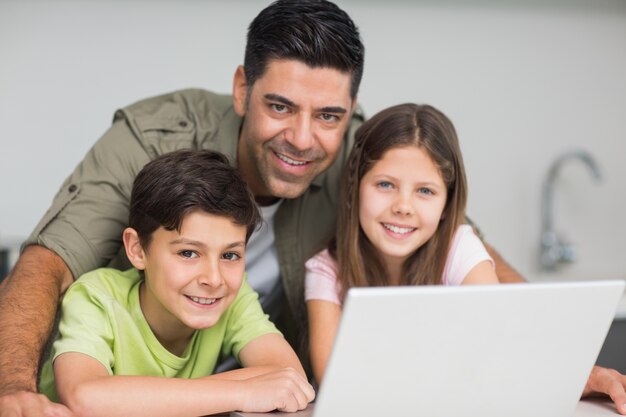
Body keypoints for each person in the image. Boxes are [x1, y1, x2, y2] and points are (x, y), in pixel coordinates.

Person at [0, 1, 623, 416]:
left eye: (328, 115)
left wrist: (560, 360)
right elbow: (47, 264)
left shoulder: (365, 158)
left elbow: (460, 242)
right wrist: (14, 391)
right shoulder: (153, 137)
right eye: (280, 107)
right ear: (243, 89)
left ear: (350, 110)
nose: (303, 137)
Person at [37, 149, 315, 416]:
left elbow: (288, 378)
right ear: (136, 249)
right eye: (188, 253)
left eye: (230, 255)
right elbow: (85, 399)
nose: (213, 279)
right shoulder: (96, 296)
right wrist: (241, 392)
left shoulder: (233, 293)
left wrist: (145, 401)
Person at [305, 103, 500, 384]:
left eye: (425, 191)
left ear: (446, 204)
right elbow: (334, 380)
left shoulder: (460, 250)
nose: (403, 207)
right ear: (354, 189)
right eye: (385, 185)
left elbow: (495, 351)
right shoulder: (326, 269)